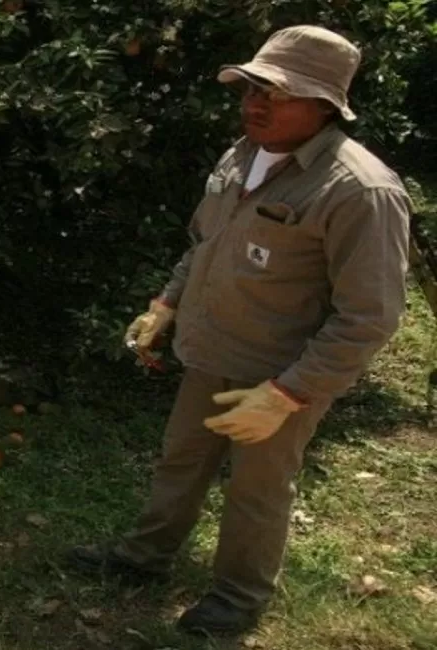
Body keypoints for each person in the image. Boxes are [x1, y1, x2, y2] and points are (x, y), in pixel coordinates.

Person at [67, 25, 413, 637]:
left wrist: (287, 394)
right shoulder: (241, 154)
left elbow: (370, 316)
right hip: (211, 348)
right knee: (182, 458)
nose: (258, 103)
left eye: (280, 94)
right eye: (253, 87)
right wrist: (166, 304)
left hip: (281, 371)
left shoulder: (360, 190)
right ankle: (145, 557)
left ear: (327, 106)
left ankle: (238, 595)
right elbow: (205, 243)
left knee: (258, 488)